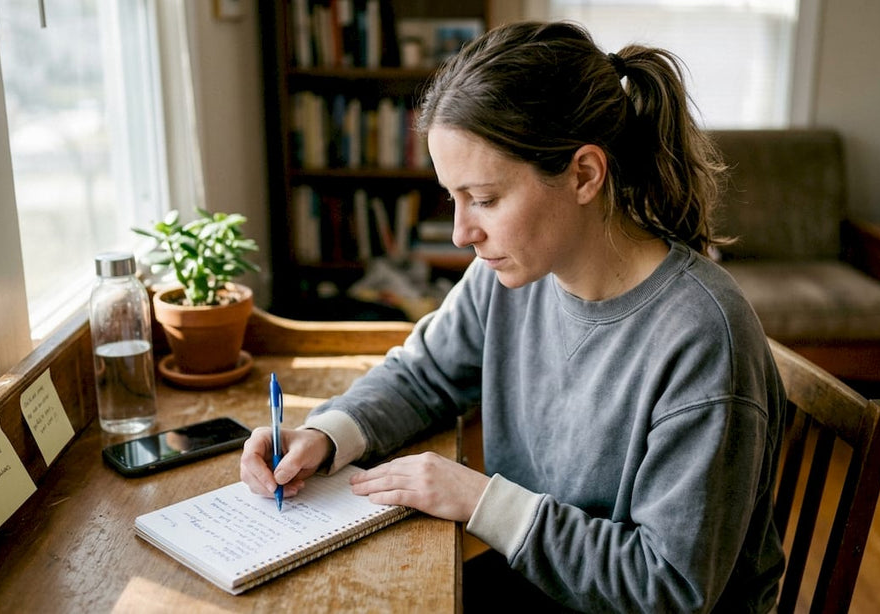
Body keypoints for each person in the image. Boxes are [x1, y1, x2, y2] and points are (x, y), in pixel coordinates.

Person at [241, 20, 786, 612]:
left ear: (583, 175)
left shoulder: (703, 339)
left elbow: (668, 586)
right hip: (541, 583)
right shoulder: (513, 272)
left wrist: (479, 500)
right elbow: (424, 372)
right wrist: (325, 435)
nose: (460, 232)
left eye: (486, 199)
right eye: (454, 197)